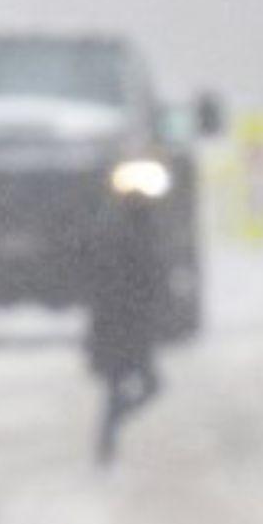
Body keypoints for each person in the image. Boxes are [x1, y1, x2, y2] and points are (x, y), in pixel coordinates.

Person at [82, 196, 167, 466]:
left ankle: (107, 440)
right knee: (135, 386)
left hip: (121, 327)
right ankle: (107, 441)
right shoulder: (127, 242)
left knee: (122, 389)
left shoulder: (116, 237)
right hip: (125, 328)